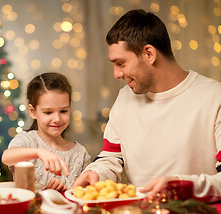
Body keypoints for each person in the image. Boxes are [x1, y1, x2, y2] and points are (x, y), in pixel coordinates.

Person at [72, 9, 221, 202]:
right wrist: (96, 173)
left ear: (149, 53)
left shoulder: (214, 97)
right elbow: (111, 158)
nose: (116, 74)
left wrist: (180, 186)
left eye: (121, 63)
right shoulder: (125, 98)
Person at [2, 72, 91, 191]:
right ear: (32, 111)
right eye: (48, 112)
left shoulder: (80, 153)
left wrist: (63, 193)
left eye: (63, 111)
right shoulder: (27, 141)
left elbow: (85, 194)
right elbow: (6, 157)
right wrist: (38, 152)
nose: (57, 119)